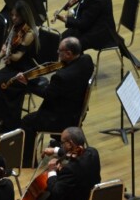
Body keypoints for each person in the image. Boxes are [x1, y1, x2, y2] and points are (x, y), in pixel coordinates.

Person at [18, 37, 94, 167]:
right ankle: (57, 143)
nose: (57, 53)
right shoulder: (87, 60)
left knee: (27, 121)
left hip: (62, 118)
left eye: (60, 51)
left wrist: (28, 84)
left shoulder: (61, 77)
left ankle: (28, 161)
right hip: (77, 110)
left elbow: (48, 95)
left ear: (69, 54)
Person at [27, 126, 101, 200]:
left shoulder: (70, 170)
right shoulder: (93, 153)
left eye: (62, 143)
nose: (61, 145)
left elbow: (56, 192)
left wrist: (52, 172)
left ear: (70, 143)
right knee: (70, 194)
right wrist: (56, 150)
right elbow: (73, 153)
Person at [0, 0, 39, 132]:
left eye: (17, 16)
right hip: (12, 67)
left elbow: (18, 56)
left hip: (25, 71)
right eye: (12, 15)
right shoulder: (14, 28)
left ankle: (9, 123)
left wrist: (7, 53)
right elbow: (4, 48)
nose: (13, 18)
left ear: (24, 16)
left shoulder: (29, 33)